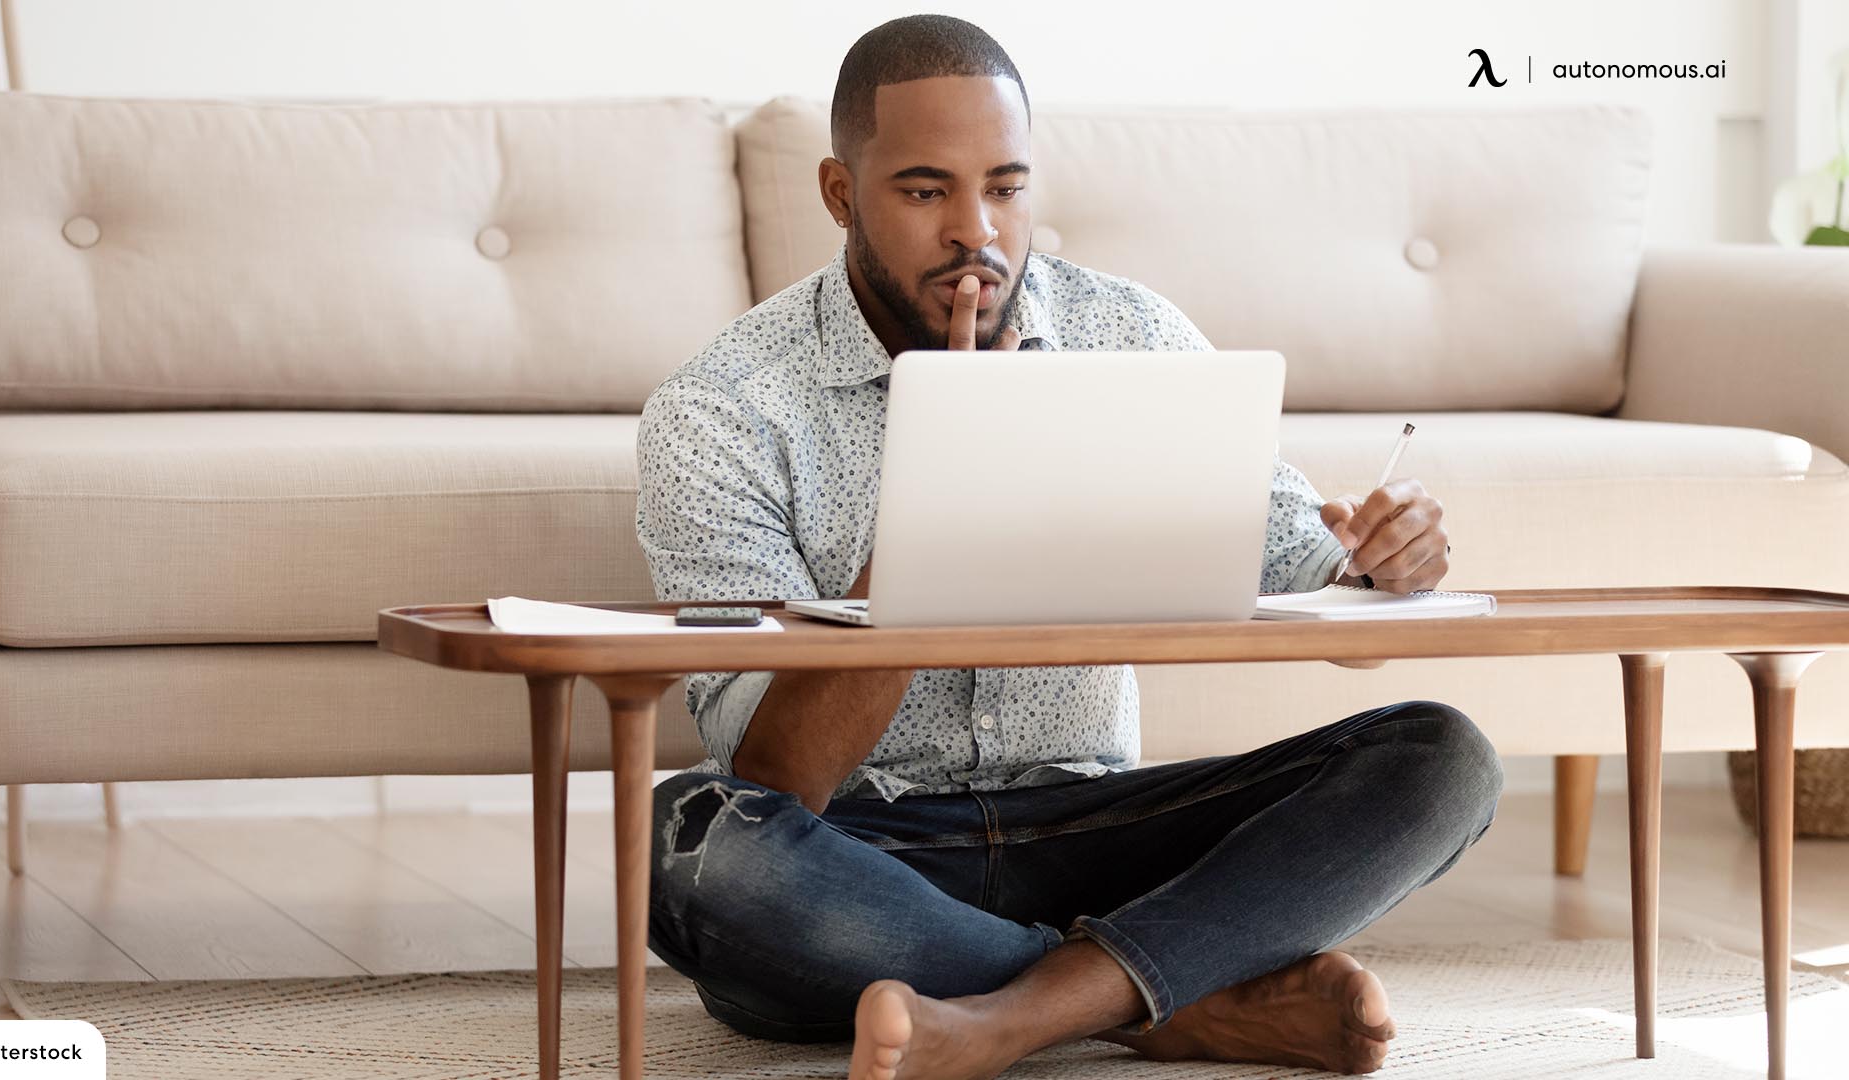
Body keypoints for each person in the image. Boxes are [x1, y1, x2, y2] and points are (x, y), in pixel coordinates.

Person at [633, 15, 1501, 1079]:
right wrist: (938, 512)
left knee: (1440, 759)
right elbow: (779, 775)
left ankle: (1002, 1018)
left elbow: (1326, 594)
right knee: (688, 841)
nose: (976, 233)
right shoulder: (721, 412)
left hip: (1101, 828)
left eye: (1005, 187)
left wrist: (1381, 565)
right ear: (838, 193)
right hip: (872, 851)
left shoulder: (1130, 338)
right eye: (924, 191)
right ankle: (1171, 1005)